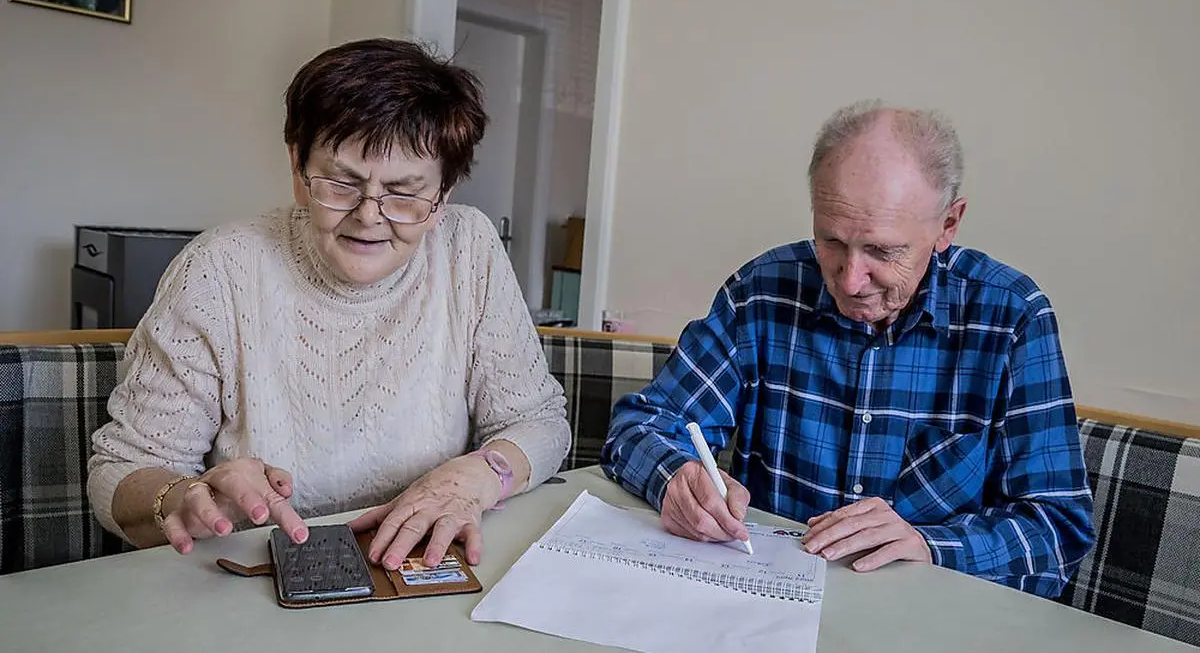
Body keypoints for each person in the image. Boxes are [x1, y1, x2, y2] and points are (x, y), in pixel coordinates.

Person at [86, 38, 572, 573]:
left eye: (406, 192)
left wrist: (474, 478)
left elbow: (539, 422)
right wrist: (181, 497)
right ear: (297, 166)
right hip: (253, 584)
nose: (370, 215)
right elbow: (119, 472)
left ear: (445, 194)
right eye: (342, 183)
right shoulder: (219, 268)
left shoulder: (469, 247)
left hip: (415, 576)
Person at [600, 100, 1095, 597]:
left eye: (882, 250)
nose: (852, 280)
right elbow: (641, 426)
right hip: (765, 604)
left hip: (928, 617)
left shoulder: (1010, 317)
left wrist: (929, 546)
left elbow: (1057, 527)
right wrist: (676, 479)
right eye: (831, 241)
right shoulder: (761, 292)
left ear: (948, 224)